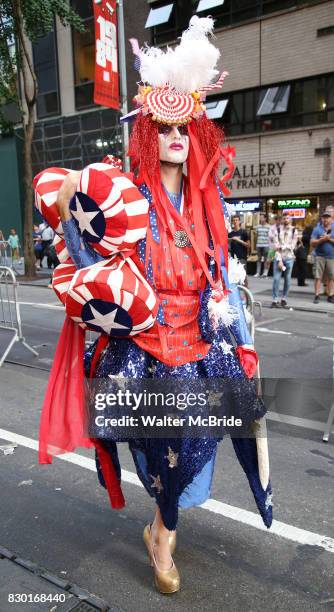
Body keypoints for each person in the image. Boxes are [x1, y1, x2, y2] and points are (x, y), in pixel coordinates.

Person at [36, 17, 272, 595]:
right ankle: (161, 523)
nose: (174, 136)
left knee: (200, 436)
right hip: (141, 343)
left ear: (197, 134)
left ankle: (162, 533)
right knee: (152, 447)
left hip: (199, 340)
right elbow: (77, 234)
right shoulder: (125, 194)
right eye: (162, 127)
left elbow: (218, 274)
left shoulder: (206, 199)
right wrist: (72, 198)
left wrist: (240, 334)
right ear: (146, 132)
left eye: (184, 127)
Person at [271, 211, 298, 308]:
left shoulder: (294, 230)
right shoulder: (277, 230)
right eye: (285, 218)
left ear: (291, 219)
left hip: (289, 258)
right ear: (282, 219)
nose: (286, 220)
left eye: (288, 218)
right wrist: (279, 260)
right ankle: (275, 299)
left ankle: (284, 298)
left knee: (287, 279)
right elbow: (276, 246)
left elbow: (293, 246)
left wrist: (283, 246)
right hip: (279, 257)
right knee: (276, 279)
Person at [311, 211, 334, 304]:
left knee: (331, 277)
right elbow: (312, 243)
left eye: (327, 217)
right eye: (324, 217)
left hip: (332, 257)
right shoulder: (317, 229)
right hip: (319, 256)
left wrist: (328, 239)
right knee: (318, 277)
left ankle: (331, 295)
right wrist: (321, 240)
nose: (326, 219)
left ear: (331, 219)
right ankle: (316, 295)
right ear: (321, 218)